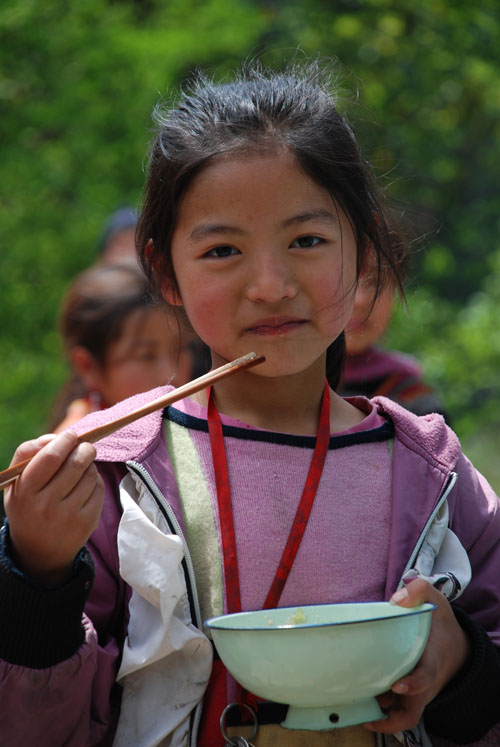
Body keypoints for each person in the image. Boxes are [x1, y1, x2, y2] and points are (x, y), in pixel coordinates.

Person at [1, 63, 500, 747]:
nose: (269, 285)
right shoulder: (118, 474)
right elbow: (37, 728)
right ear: (165, 272)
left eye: (307, 240)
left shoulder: (433, 476)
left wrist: (465, 658)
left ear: (364, 249)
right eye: (224, 249)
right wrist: (36, 573)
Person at [49, 262, 193, 431]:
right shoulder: (82, 448)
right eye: (146, 355)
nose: (170, 374)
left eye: (179, 348)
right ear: (87, 366)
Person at [340, 275, 450, 421]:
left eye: (375, 282)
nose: (360, 300)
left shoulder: (422, 411)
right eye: (341, 281)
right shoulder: (302, 396)